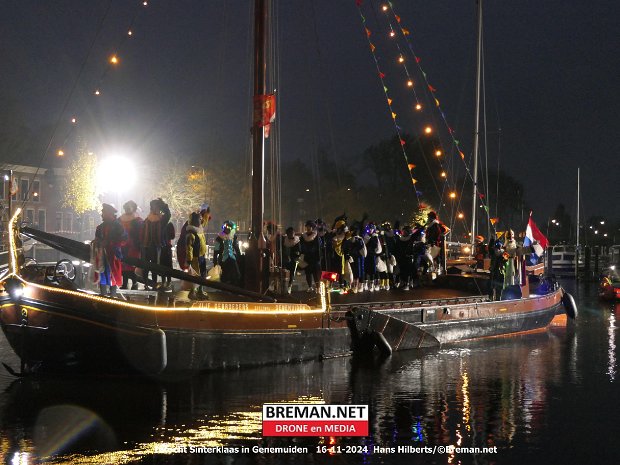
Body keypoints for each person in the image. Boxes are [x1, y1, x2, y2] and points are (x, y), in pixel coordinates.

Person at [94, 203, 127, 297]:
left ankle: (113, 295)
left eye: (103, 212)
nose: (102, 214)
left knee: (113, 274)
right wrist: (97, 242)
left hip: (113, 255)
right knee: (102, 273)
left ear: (109, 213)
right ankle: (103, 295)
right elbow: (97, 238)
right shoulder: (100, 227)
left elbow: (124, 239)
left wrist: (110, 243)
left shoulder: (118, 226)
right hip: (102, 255)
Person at [140, 198, 171, 288]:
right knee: (146, 266)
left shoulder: (161, 220)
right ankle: (146, 283)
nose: (154, 209)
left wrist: (164, 206)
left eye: (156, 207)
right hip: (146, 246)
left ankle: (153, 283)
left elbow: (168, 215)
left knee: (154, 266)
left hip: (156, 246)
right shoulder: (147, 220)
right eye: (153, 207)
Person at [119, 200, 143, 290]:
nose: (128, 208)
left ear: (134, 208)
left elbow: (141, 233)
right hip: (123, 246)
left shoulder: (138, 220)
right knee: (124, 266)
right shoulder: (120, 220)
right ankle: (124, 284)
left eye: (130, 206)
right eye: (127, 207)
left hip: (133, 246)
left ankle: (134, 283)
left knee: (132, 265)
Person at [186, 212, 208, 300]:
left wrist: (206, 214)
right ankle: (192, 292)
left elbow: (205, 221)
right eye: (199, 219)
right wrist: (189, 259)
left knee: (203, 274)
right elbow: (189, 247)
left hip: (202, 256)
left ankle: (200, 290)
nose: (201, 220)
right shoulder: (191, 233)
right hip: (196, 258)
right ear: (194, 220)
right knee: (196, 275)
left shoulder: (199, 230)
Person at [213, 220, 241, 286]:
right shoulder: (219, 238)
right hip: (223, 260)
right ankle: (224, 291)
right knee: (224, 276)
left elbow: (236, 247)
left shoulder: (233, 237)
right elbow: (216, 250)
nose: (227, 229)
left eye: (229, 228)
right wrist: (215, 261)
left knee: (236, 275)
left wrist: (239, 256)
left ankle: (233, 289)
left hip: (232, 258)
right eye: (226, 228)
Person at [299, 220, 321, 292]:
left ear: (312, 227)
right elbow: (301, 246)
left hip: (314, 257)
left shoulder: (316, 236)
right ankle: (310, 286)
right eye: (307, 227)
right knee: (308, 272)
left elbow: (318, 246)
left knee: (315, 273)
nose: (308, 228)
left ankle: (318, 287)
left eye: (309, 226)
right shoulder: (303, 236)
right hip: (307, 256)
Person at [280, 226, 301, 294]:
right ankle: (283, 286)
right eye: (289, 233)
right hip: (285, 258)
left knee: (292, 273)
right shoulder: (284, 240)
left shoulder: (297, 241)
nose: (291, 234)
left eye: (292, 233)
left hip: (293, 259)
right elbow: (282, 250)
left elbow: (299, 251)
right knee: (283, 271)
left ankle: (289, 286)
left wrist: (295, 255)